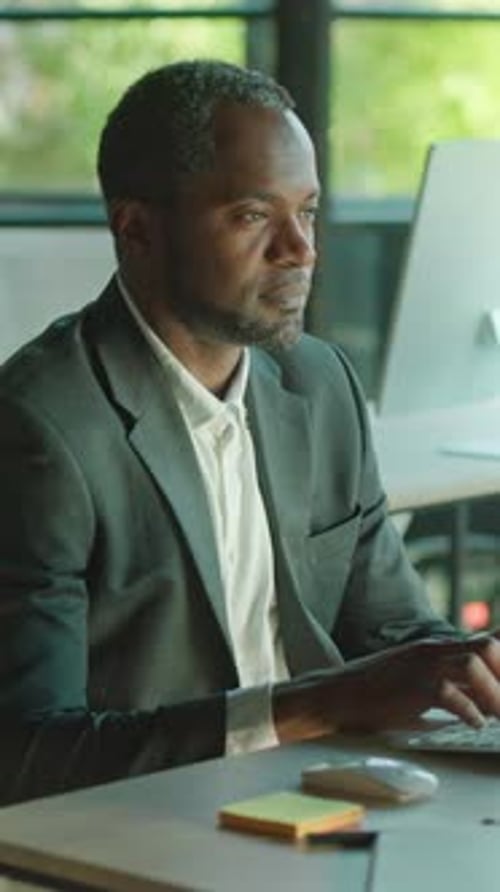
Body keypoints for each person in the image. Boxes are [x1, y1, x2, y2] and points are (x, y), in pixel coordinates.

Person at [0, 59, 499, 806]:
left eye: (309, 211)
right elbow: (25, 755)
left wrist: (471, 674)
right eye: (253, 216)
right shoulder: (40, 428)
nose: (300, 249)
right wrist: (313, 705)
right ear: (136, 228)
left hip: (317, 801)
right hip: (147, 826)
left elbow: (399, 638)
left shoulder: (318, 384)